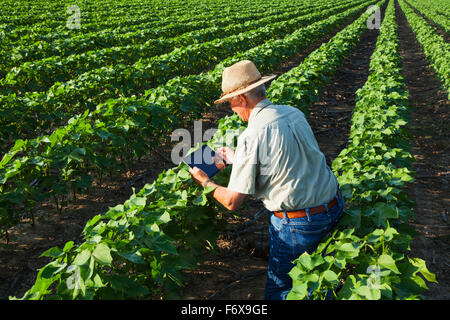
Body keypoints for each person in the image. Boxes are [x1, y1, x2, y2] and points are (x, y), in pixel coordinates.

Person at [188, 60, 344, 300]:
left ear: (242, 99)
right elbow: (287, 157)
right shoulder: (293, 113)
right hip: (333, 206)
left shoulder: (253, 134)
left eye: (230, 102)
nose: (231, 109)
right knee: (317, 279)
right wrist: (239, 157)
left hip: (300, 225)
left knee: (282, 291)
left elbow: (232, 202)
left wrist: (204, 182)